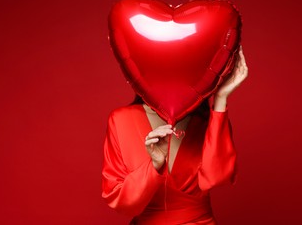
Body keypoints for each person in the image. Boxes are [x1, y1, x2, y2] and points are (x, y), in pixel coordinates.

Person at [102, 46, 248, 224]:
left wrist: (221, 98)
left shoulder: (208, 121)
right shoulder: (121, 120)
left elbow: (217, 177)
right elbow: (121, 203)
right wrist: (154, 165)